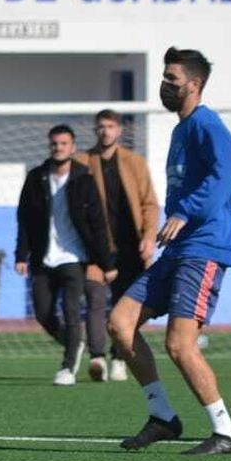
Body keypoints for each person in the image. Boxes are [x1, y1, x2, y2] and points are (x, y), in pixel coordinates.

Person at [111, 47, 231, 455]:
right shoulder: (181, 129)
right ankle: (164, 416)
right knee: (119, 323)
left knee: (179, 344)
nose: (164, 85)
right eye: (164, 78)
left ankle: (226, 432)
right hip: (178, 249)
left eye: (172, 79)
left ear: (194, 84)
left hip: (203, 248)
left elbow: (226, 172)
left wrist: (184, 214)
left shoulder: (208, 125)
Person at [15, 125, 113, 387]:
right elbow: (24, 219)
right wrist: (21, 255)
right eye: (54, 144)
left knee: (72, 312)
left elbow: (98, 224)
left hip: (73, 258)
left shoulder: (84, 178)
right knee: (43, 313)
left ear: (72, 147)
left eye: (63, 144)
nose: (58, 148)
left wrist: (107, 263)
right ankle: (74, 343)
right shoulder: (36, 178)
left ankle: (68, 367)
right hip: (43, 259)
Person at [77, 109, 160, 382]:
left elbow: (149, 203)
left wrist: (149, 237)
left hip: (131, 247)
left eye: (110, 126)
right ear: (95, 129)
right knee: (96, 299)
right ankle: (97, 357)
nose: (105, 131)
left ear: (119, 130)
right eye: (101, 126)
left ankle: (119, 357)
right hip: (96, 249)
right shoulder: (83, 161)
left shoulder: (134, 162)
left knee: (128, 306)